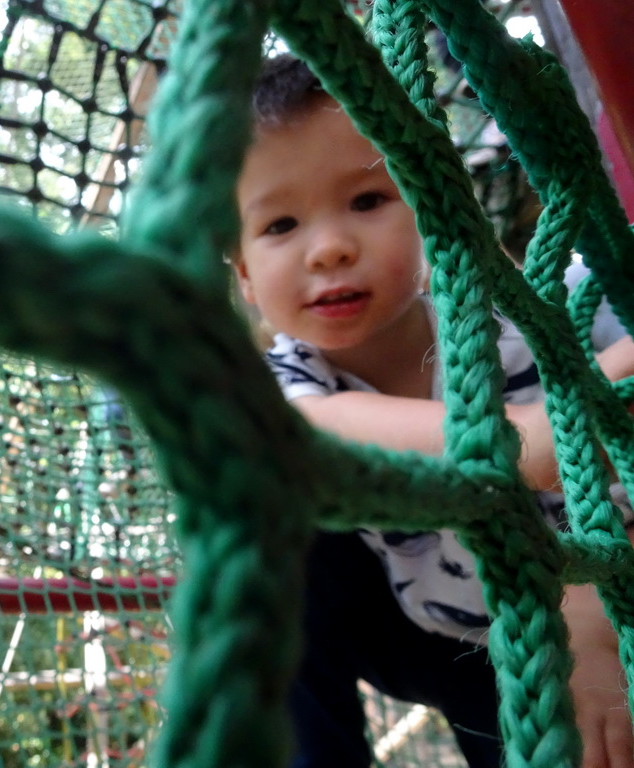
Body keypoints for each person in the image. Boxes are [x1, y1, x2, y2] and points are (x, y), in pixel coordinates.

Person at [230, 54, 634, 768]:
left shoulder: (501, 324)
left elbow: (596, 485)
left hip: (589, 575)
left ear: (424, 213)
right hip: (442, 636)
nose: (328, 249)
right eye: (281, 224)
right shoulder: (287, 392)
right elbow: (527, 453)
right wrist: (562, 416)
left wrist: (587, 606)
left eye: (366, 202)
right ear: (244, 277)